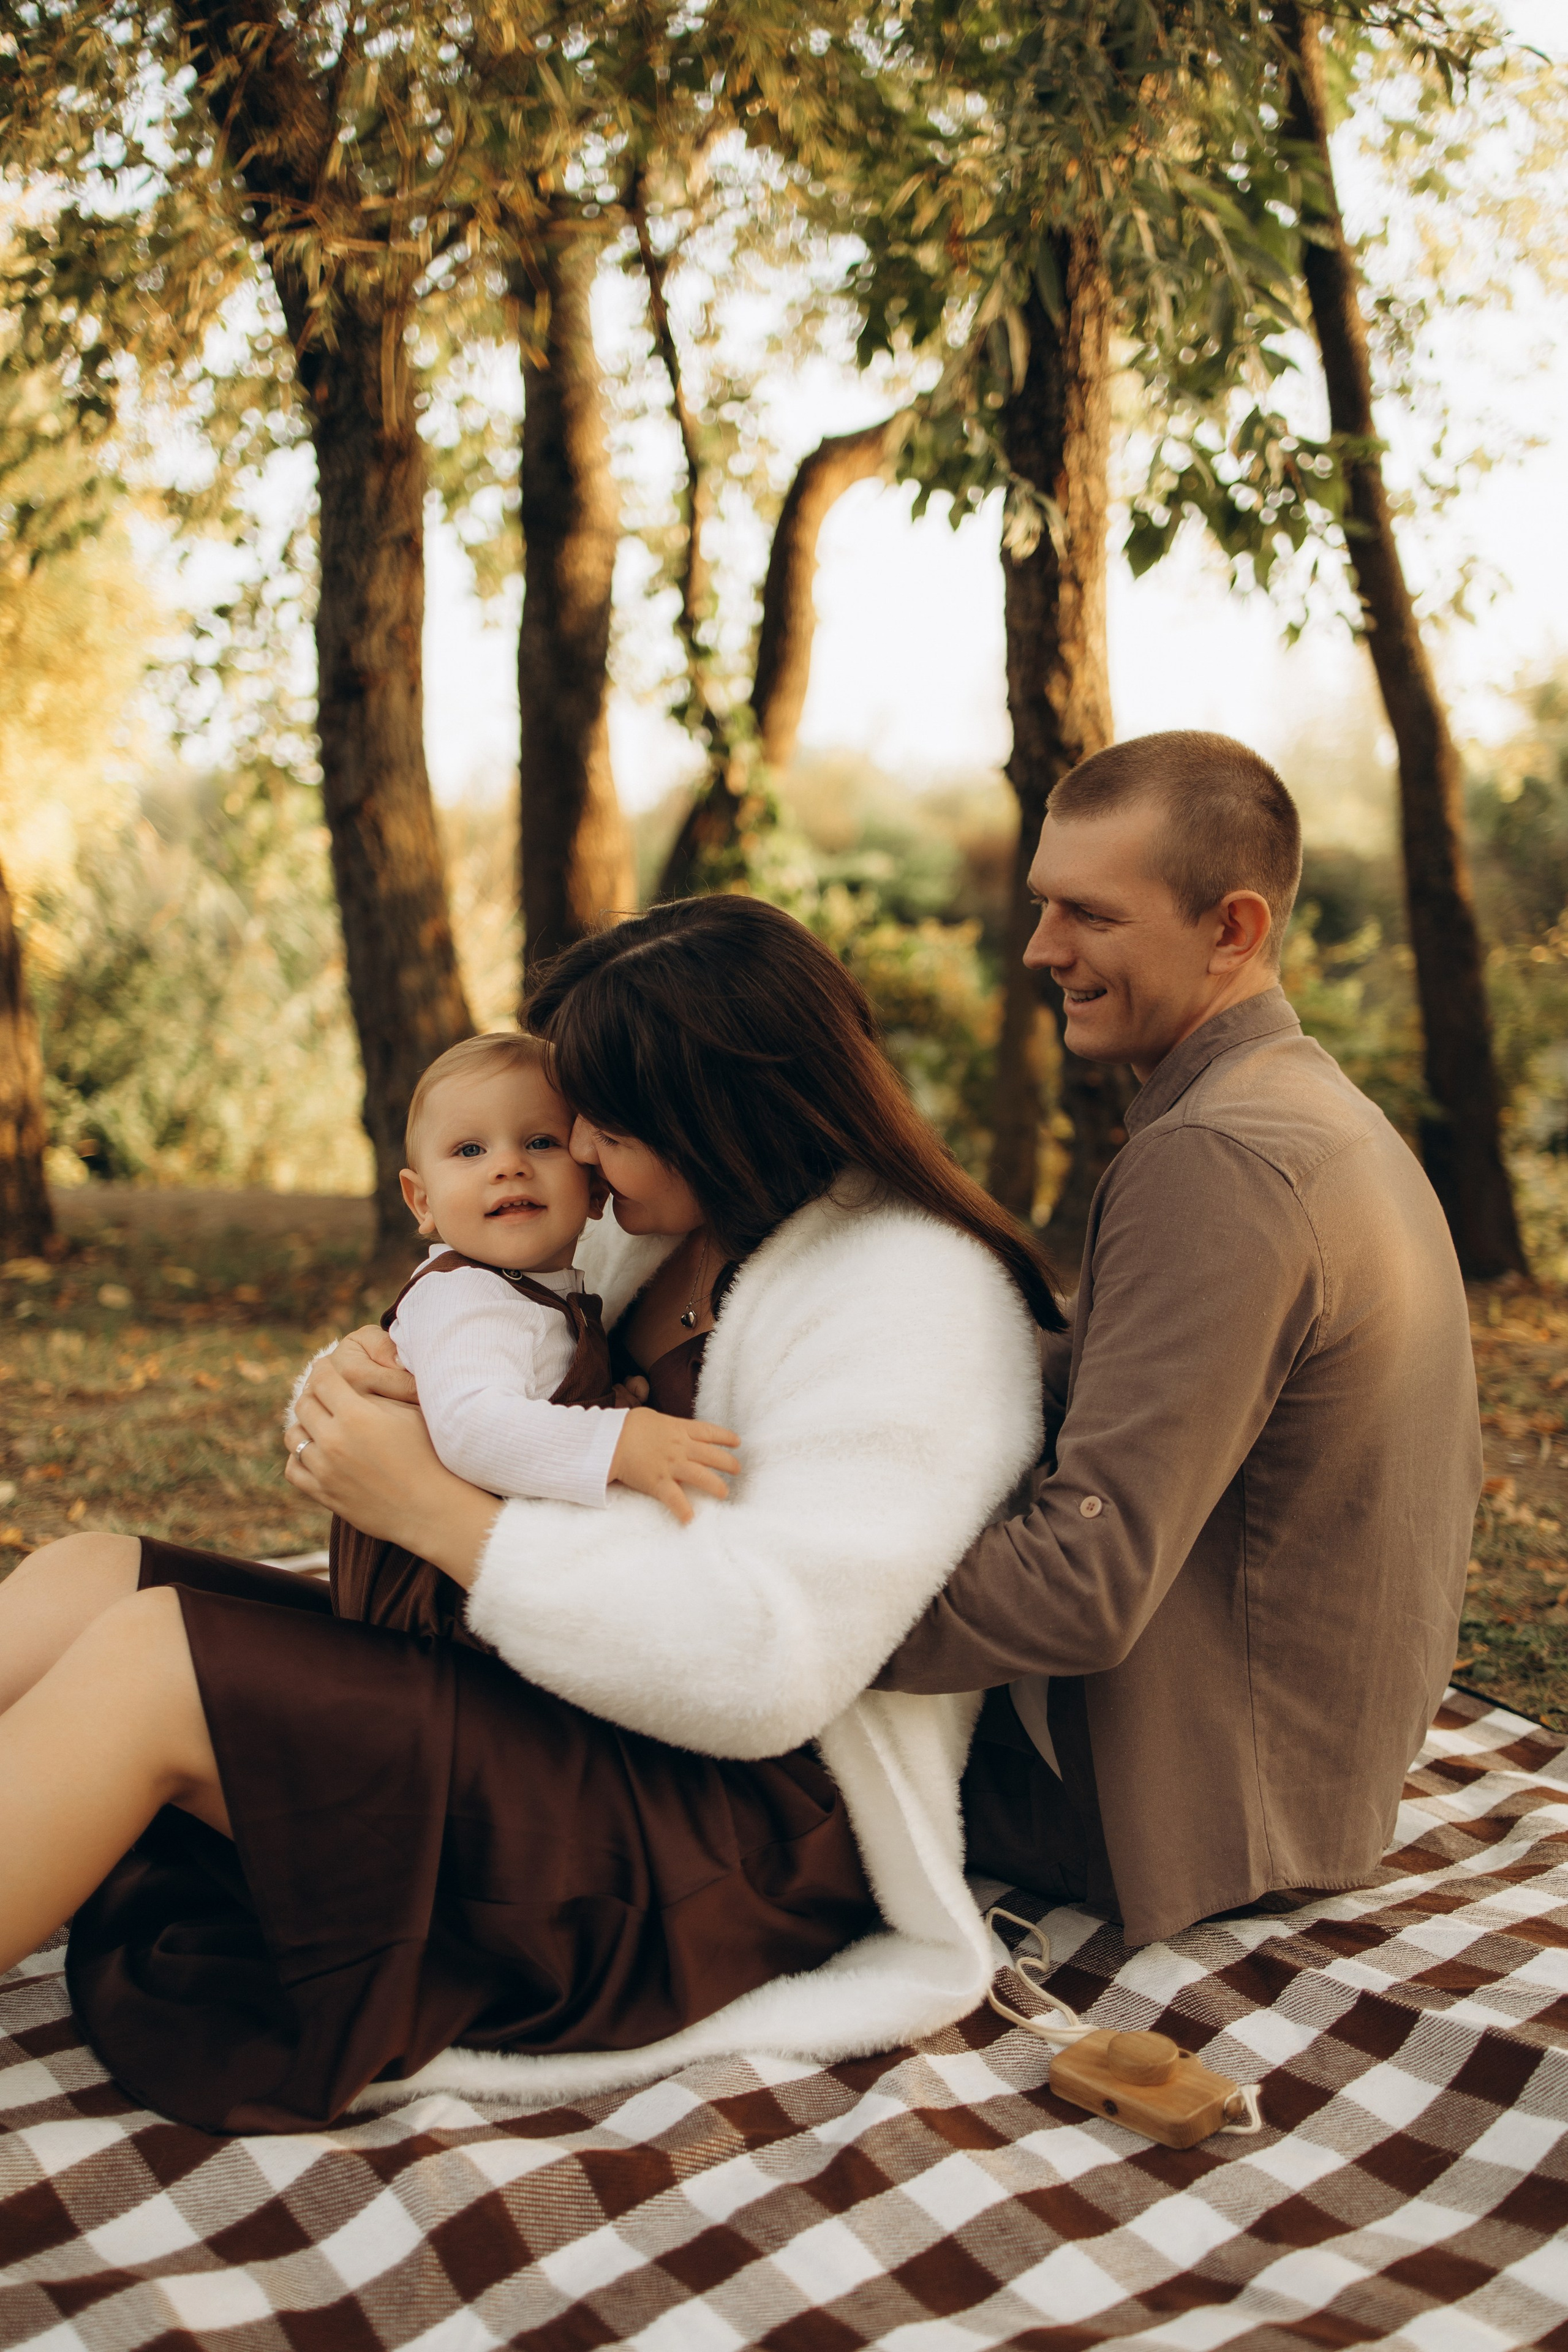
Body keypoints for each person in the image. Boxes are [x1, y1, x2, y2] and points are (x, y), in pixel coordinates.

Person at [0, 895, 1051, 2132]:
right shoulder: (650, 1233)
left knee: (154, 1664)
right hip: (550, 1700)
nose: (578, 1152)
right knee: (92, 1576)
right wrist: (356, 1385)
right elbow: (481, 1362)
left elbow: (767, 1664)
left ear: (715, 1113)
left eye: (606, 1122)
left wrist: (439, 1517)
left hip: (721, 1833)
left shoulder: (911, 1295)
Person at [877, 729, 1483, 1946]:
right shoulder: (1294, 1104)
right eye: (1043, 905)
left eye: (1090, 914)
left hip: (1186, 1809)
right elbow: (1115, 1375)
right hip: (1310, 1770)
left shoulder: (1213, 1159)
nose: (1041, 948)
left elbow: (1078, 1591)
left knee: (666, 1739)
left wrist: (767, 1605)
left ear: (1231, 929)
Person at [328, 1030, 744, 1647]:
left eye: (540, 1142)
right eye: (469, 1149)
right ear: (422, 1201)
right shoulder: (466, 1296)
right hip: (433, 1610)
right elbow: (471, 1426)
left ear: (595, 1188)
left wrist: (602, 1400)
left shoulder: (532, 1291)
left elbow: (529, 1393)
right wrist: (618, 1441)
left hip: (487, 1588)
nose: (507, 1166)